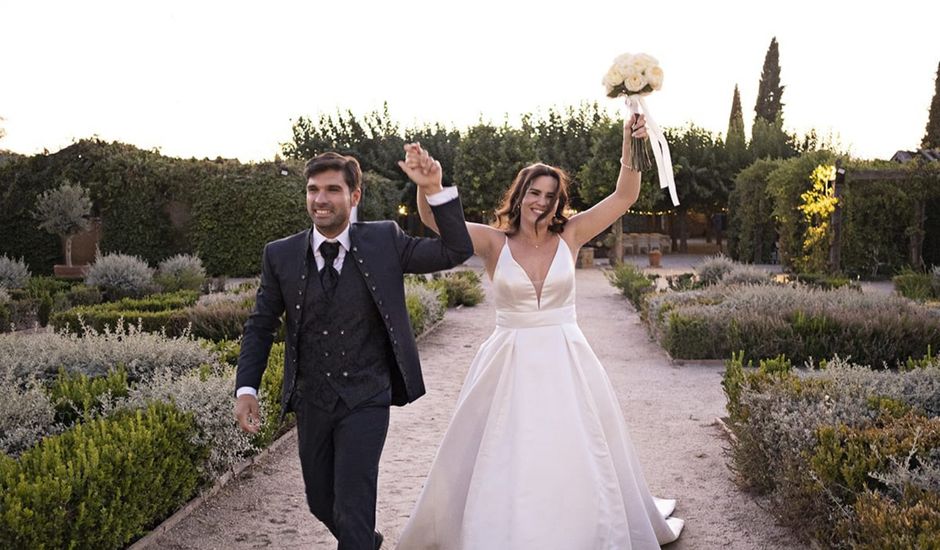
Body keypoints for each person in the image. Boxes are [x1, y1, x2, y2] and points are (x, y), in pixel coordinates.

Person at [396, 114, 684, 549]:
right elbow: (437, 223)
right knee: (505, 451)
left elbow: (625, 195)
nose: (541, 202)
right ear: (520, 194)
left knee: (576, 450)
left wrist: (631, 143)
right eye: (534, 192)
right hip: (507, 361)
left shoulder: (571, 233)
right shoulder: (495, 242)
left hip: (567, 358)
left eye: (551, 195)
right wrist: (425, 185)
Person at [234, 147, 473, 550]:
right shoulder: (280, 254)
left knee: (354, 502)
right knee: (321, 502)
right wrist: (246, 389)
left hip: (367, 396)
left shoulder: (384, 240)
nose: (320, 199)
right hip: (312, 398)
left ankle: (359, 538)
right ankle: (365, 541)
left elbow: (455, 250)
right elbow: (260, 325)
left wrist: (433, 189)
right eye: (313, 189)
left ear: (354, 195)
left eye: (332, 189)